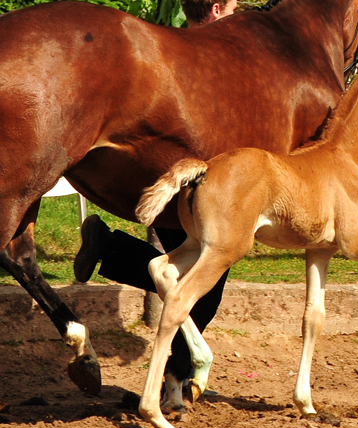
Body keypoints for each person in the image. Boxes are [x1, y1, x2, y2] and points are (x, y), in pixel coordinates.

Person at [73, 0, 237, 396]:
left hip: (169, 178)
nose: (239, 13)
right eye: (234, 6)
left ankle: (109, 249)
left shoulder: (175, 46)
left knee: (182, 275)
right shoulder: (218, 59)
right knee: (202, 286)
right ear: (216, 9)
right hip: (196, 186)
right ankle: (173, 383)